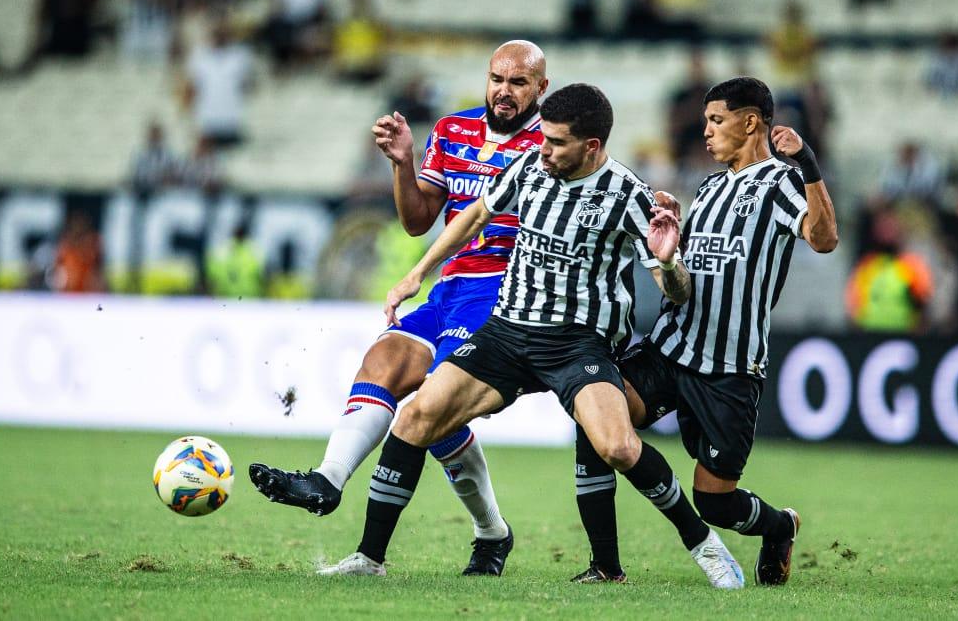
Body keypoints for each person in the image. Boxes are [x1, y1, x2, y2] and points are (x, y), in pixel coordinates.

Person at [306, 83, 746, 589]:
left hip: (577, 343)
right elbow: (474, 216)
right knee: (417, 415)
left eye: (557, 143)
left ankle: (704, 545)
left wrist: (668, 260)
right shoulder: (529, 166)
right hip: (508, 332)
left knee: (620, 448)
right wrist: (418, 272)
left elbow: (679, 292)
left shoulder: (630, 196)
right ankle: (369, 556)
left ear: (592, 148)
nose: (543, 149)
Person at [249, 41, 551, 576]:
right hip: (449, 290)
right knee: (383, 363)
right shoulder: (453, 131)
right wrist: (404, 163)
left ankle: (474, 536)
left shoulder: (551, 145)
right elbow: (416, 221)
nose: (504, 91)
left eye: (519, 83)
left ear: (540, 89)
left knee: (432, 405)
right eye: (497, 79)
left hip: (503, 295)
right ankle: (328, 480)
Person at [576, 77, 838, 586]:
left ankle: (779, 525)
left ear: (750, 122)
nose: (706, 132)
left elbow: (824, 240)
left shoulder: (782, 181)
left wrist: (807, 163)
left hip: (730, 367)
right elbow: (682, 281)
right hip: (672, 348)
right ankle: (605, 564)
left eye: (715, 121)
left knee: (715, 502)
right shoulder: (711, 186)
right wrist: (668, 245)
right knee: (596, 411)